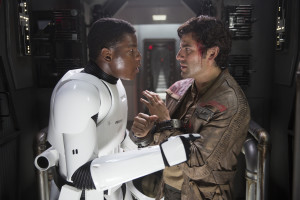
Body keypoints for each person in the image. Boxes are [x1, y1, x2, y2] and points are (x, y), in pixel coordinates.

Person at [130, 15, 251, 200]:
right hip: (168, 189)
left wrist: (164, 122)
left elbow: (198, 166)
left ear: (212, 53)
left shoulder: (230, 103)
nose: (179, 56)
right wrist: (145, 135)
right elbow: (163, 139)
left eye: (187, 49)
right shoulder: (181, 88)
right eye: (180, 49)